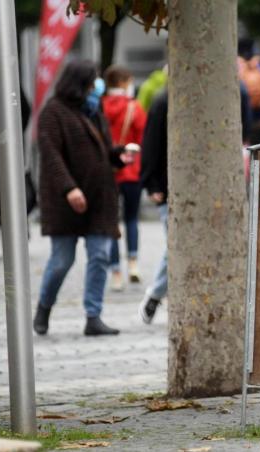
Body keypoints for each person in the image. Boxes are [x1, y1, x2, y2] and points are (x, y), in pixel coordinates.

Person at [33, 60, 134, 336]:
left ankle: (93, 316)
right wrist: (69, 188)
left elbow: (104, 149)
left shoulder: (93, 110)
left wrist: (118, 155)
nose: (96, 86)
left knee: (100, 256)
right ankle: (44, 307)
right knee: (62, 260)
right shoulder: (53, 112)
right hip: (66, 201)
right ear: (79, 83)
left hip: (99, 198)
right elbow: (51, 155)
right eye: (92, 81)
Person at [102, 65, 148, 290]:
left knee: (111, 222)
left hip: (107, 171)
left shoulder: (99, 107)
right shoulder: (134, 107)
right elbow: (142, 138)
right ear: (122, 82)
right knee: (131, 218)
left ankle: (116, 273)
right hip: (131, 171)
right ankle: (133, 264)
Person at [138, 89, 168, 323]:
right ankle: (155, 296)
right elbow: (151, 143)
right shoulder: (163, 102)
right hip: (168, 188)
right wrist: (152, 183)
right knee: (176, 249)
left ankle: (156, 296)